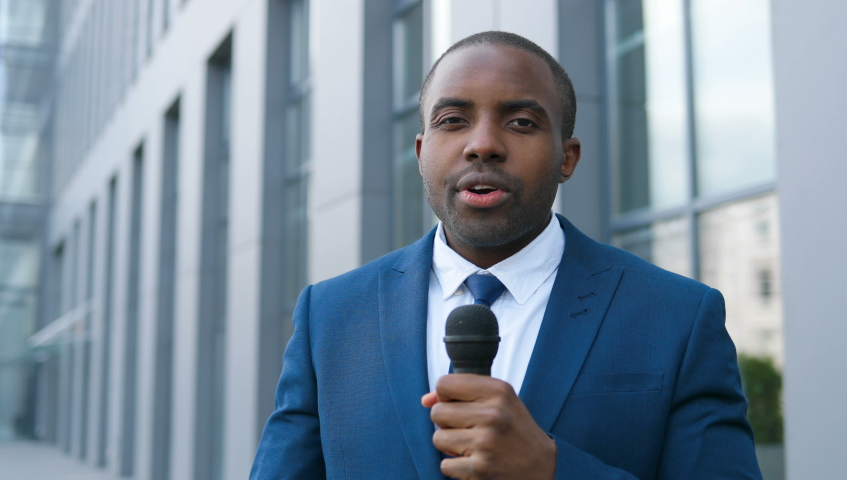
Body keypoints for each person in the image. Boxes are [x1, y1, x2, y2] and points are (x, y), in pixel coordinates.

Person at [250, 31, 762, 479]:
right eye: (453, 120)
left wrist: (552, 471)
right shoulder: (332, 316)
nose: (483, 145)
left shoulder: (678, 318)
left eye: (520, 123)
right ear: (421, 152)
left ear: (567, 158)